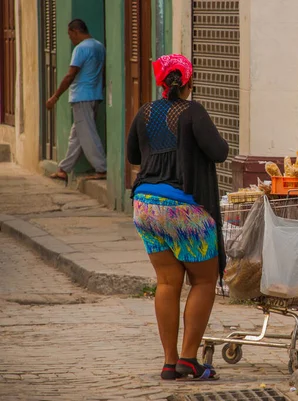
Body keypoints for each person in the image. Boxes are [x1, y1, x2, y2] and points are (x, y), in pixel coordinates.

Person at [126, 54, 229, 381]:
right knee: (202, 281)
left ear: (161, 82)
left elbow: (132, 155)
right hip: (183, 207)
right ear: (188, 82)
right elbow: (220, 152)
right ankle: (188, 359)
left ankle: (169, 363)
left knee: (168, 282)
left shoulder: (144, 112)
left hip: (146, 205)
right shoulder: (193, 112)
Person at [47, 19, 107, 182]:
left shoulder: (81, 49)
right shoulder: (99, 46)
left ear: (75, 31)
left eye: (70, 34)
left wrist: (55, 96)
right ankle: (63, 169)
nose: (70, 38)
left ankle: (102, 168)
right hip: (93, 95)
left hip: (81, 96)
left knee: (87, 134)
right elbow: (102, 72)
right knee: (77, 135)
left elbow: (70, 75)